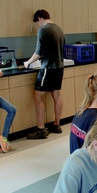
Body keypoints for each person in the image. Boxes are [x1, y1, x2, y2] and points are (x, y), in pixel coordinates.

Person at [24, 9, 65, 139]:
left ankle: (41, 128)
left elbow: (38, 53)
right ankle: (56, 124)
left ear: (40, 18)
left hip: (48, 68)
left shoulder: (43, 30)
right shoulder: (59, 29)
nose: (38, 25)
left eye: (37, 22)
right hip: (59, 67)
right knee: (56, 95)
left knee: (38, 96)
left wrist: (28, 63)